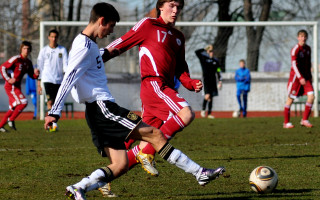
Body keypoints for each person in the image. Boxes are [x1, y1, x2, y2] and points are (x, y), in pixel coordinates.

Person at [44, 3, 225, 199]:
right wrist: (54, 111)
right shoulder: (85, 45)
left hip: (98, 110)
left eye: (178, 7)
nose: (111, 31)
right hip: (106, 106)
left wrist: (189, 82)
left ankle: (79, 187)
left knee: (120, 163)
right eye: (111, 26)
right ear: (102, 21)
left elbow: (98, 58)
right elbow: (71, 76)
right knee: (159, 133)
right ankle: (199, 172)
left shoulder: (90, 46)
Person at [104, 0, 205, 180]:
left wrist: (190, 83)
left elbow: (180, 68)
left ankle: (102, 178)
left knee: (144, 140)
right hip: (154, 85)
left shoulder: (178, 36)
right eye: (171, 6)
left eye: (178, 7)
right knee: (186, 114)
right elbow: (121, 43)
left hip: (162, 89)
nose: (175, 11)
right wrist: (95, 59)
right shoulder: (148, 25)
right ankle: (148, 153)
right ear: (160, 6)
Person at [0, 41, 40, 132]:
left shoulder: (28, 62)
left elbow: (31, 75)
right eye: (24, 48)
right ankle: (11, 119)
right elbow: (2, 67)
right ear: (21, 49)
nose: (26, 50)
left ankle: (1, 125)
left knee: (13, 107)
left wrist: (36, 74)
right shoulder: (16, 59)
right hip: (11, 86)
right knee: (23, 102)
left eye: (28, 49)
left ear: (30, 51)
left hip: (17, 87)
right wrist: (8, 79)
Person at [37, 29, 68, 131]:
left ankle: (52, 122)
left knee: (55, 103)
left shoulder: (62, 50)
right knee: (49, 102)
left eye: (55, 37)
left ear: (57, 38)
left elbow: (65, 66)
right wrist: (39, 83)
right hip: (47, 79)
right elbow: (39, 67)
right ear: (49, 37)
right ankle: (51, 125)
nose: (54, 39)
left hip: (59, 80)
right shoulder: (44, 50)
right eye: (52, 37)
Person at [283, 29, 314, 128]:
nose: (303, 38)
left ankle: (304, 120)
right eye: (301, 36)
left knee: (311, 96)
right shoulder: (295, 49)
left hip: (306, 77)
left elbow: (309, 63)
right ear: (298, 38)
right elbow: (294, 65)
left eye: (305, 36)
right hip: (296, 78)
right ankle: (286, 122)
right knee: (290, 99)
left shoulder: (308, 49)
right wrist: (300, 77)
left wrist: (310, 75)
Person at [195, 45, 222, 119]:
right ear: (207, 52)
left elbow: (218, 70)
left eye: (212, 51)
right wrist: (205, 48)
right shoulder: (204, 58)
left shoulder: (216, 61)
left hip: (213, 80)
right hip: (206, 80)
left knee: (211, 97)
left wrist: (220, 80)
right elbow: (196, 52)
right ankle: (203, 109)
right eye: (210, 51)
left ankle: (209, 113)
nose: (211, 53)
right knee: (207, 96)